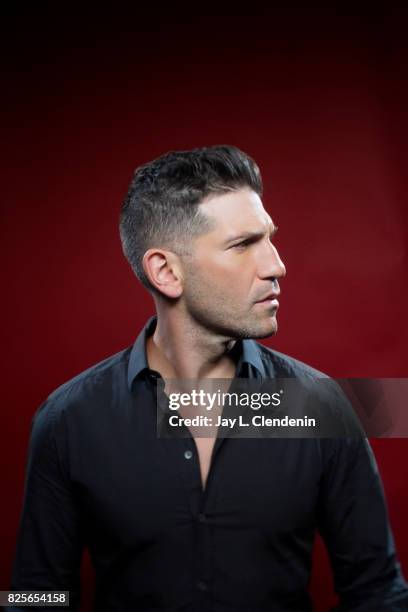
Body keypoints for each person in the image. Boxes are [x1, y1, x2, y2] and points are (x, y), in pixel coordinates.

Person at [10, 145, 408, 611]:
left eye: (270, 239)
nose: (276, 266)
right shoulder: (67, 421)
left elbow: (379, 594)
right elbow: (34, 597)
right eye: (243, 245)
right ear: (166, 271)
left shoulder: (324, 407)